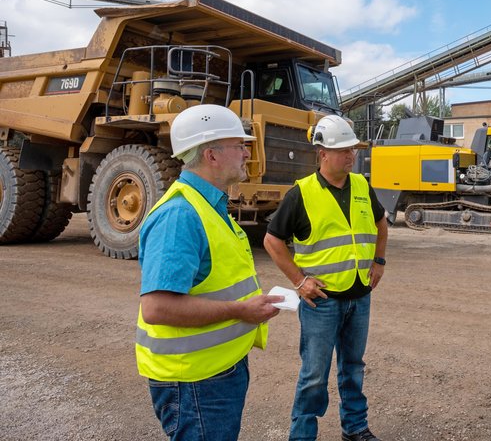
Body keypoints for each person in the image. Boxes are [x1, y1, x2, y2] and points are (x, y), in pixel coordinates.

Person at [136, 104, 283, 441]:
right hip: (195, 381)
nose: (247, 153)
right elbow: (157, 308)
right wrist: (240, 310)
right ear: (212, 155)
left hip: (215, 370)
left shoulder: (209, 206)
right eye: (240, 145)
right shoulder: (180, 216)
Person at [264, 114, 389, 441]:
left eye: (353, 150)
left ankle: (355, 429)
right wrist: (299, 280)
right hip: (321, 302)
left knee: (353, 368)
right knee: (314, 376)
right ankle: (302, 435)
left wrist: (379, 260)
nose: (351, 156)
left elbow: (381, 223)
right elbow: (272, 241)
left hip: (360, 296)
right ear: (323, 154)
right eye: (344, 150)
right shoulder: (301, 194)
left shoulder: (361, 184)